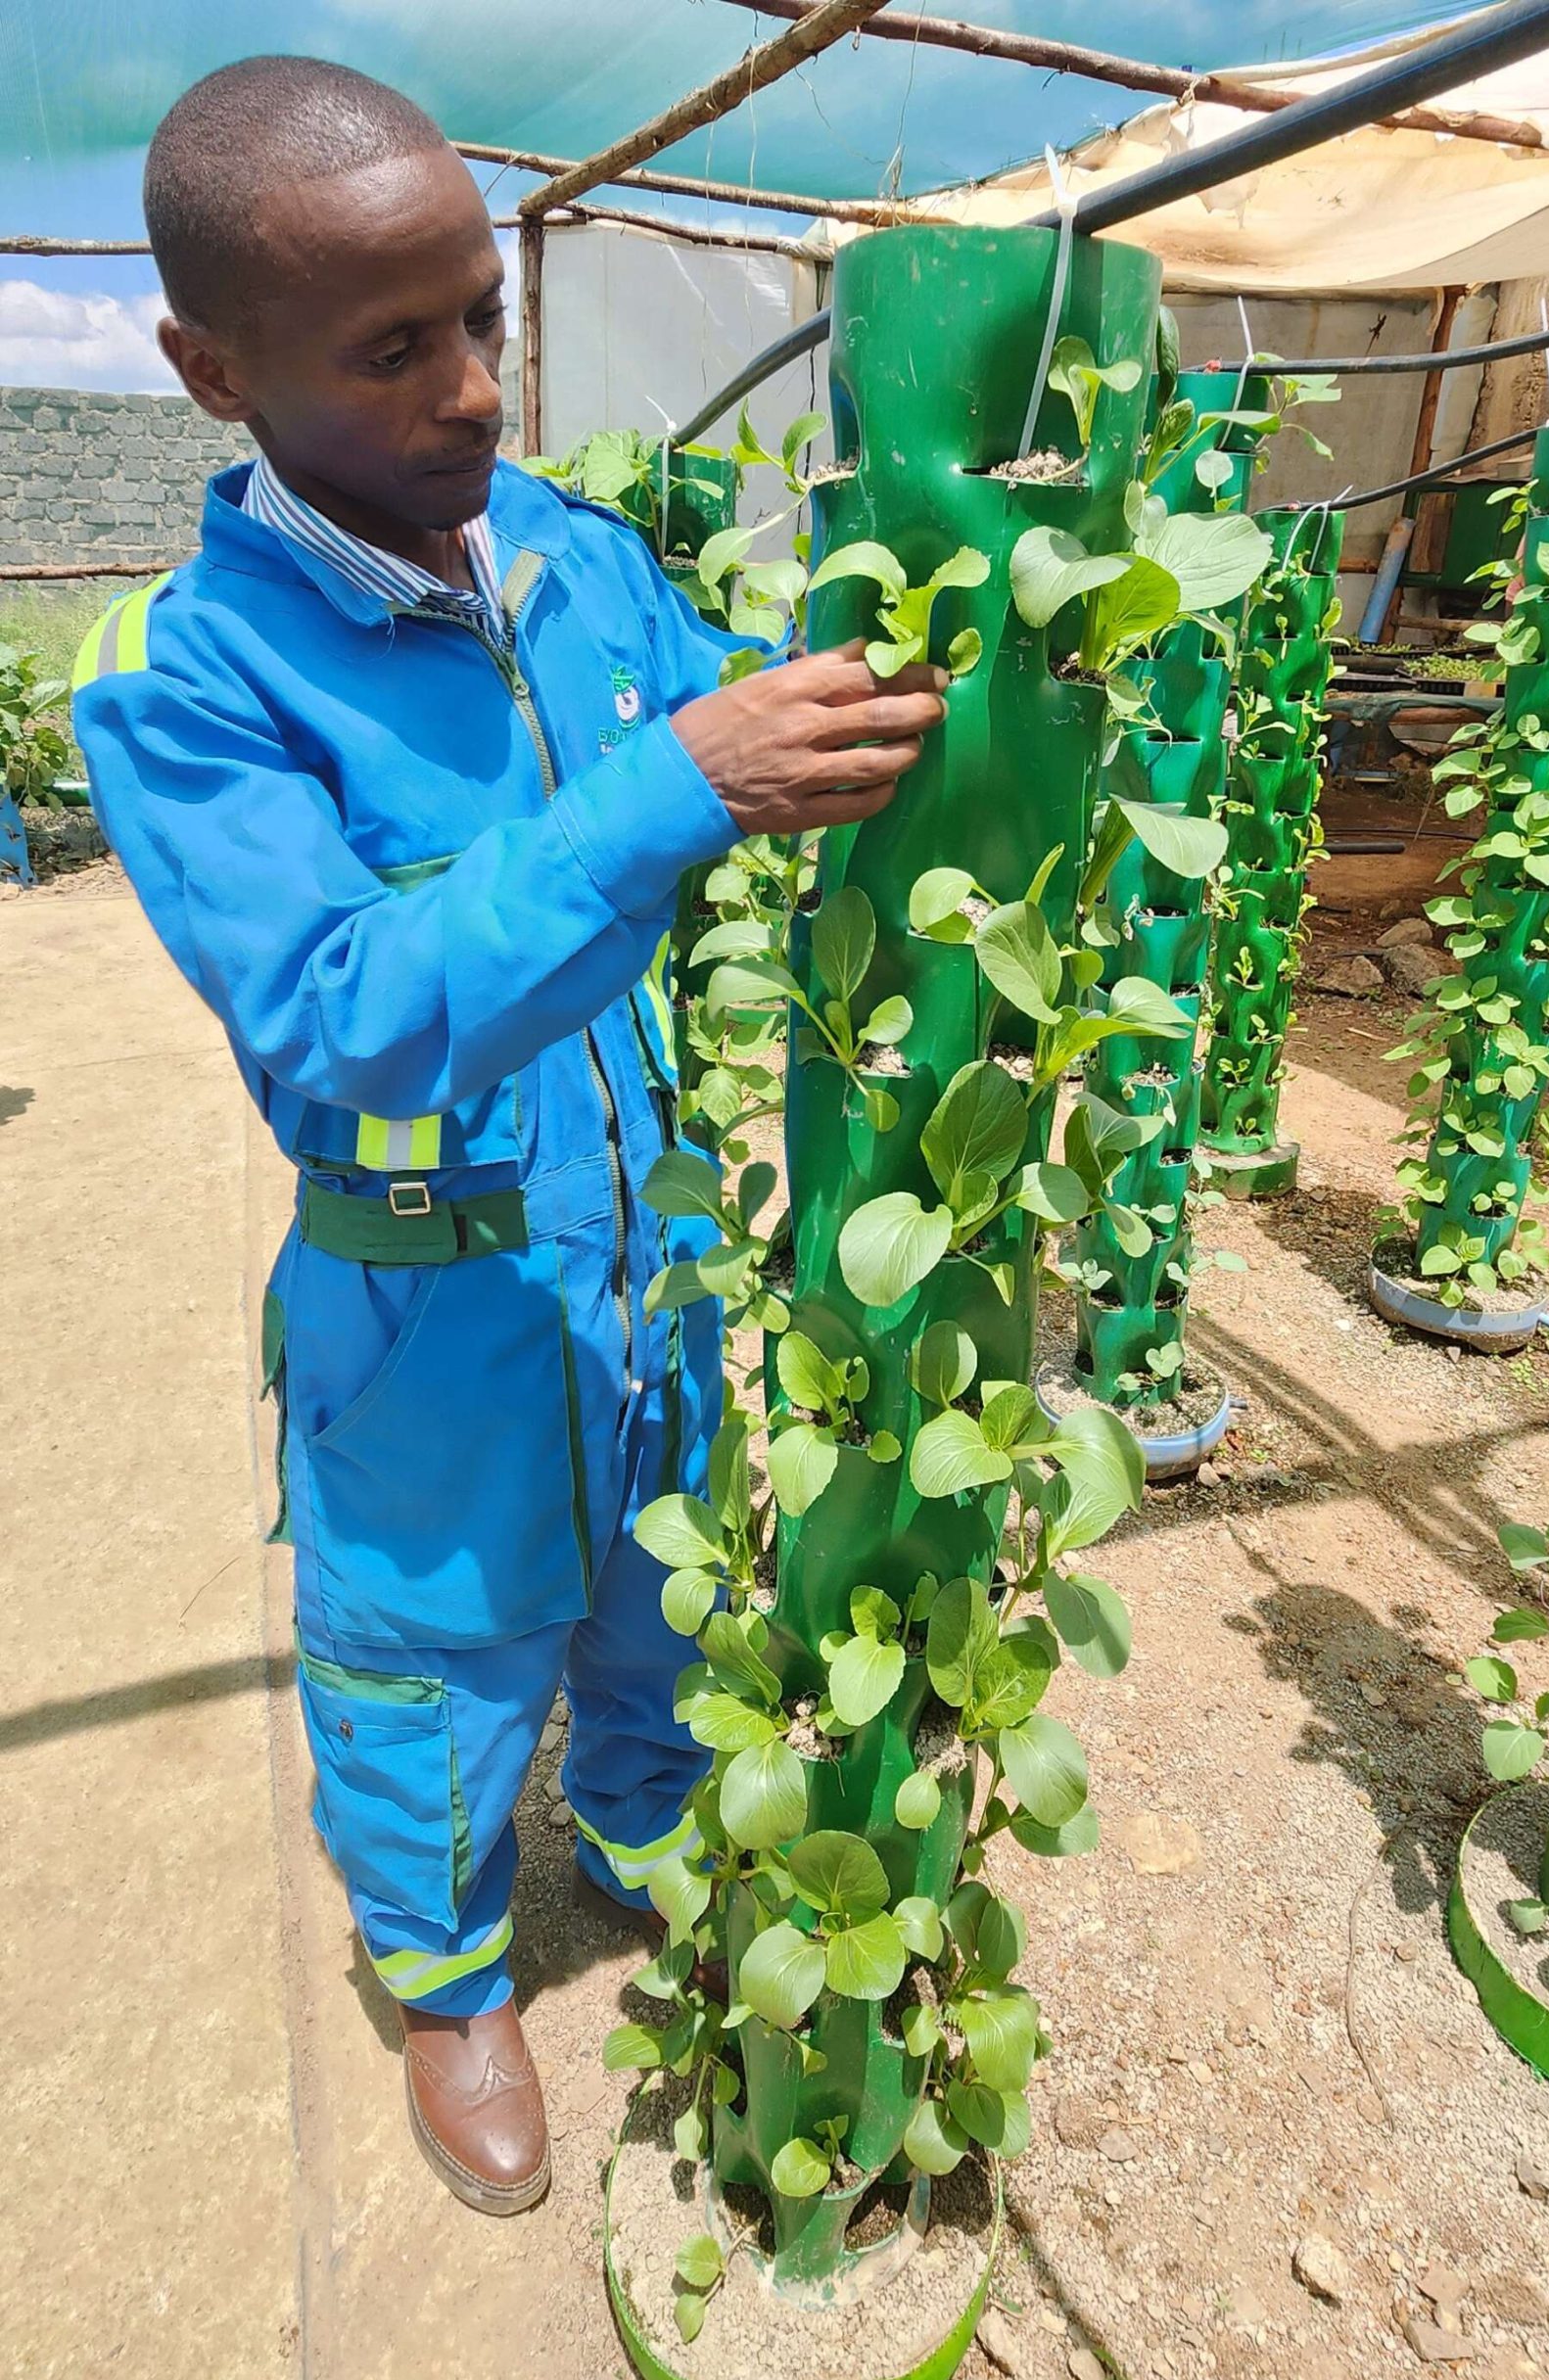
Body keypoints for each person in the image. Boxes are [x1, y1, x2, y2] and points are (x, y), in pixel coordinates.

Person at [73, 55, 945, 2217]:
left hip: (633, 1251)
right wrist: (679, 787)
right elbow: (337, 1019)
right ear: (211, 369)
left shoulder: (561, 552)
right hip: (424, 1306)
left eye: (487, 316)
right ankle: (452, 1975)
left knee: (657, 1580)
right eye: (396, 346)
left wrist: (849, 700)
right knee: (427, 1673)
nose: (474, 389)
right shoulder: (192, 683)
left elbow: (716, 694)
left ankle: (644, 1819)